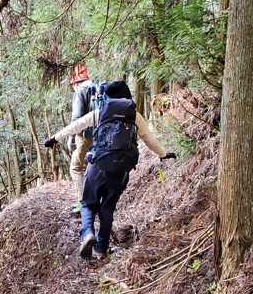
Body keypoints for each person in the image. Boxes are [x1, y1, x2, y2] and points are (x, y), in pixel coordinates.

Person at [45, 80, 176, 260]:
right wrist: (163, 154)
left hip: (98, 167)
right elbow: (149, 139)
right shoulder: (134, 115)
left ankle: (87, 234)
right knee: (107, 209)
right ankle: (101, 249)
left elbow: (76, 126)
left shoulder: (101, 112)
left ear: (108, 96)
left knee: (88, 204)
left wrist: (54, 138)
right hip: (121, 171)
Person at [68, 64, 93, 215]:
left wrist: (71, 137)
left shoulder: (80, 92)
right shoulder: (97, 90)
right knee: (91, 165)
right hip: (101, 136)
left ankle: (82, 201)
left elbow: (77, 118)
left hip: (84, 136)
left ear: (76, 82)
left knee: (76, 167)